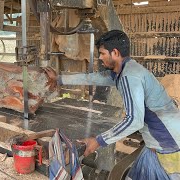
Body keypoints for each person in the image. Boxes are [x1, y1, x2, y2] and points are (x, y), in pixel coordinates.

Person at [45, 30, 180, 179]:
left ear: (115, 52)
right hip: (155, 143)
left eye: (102, 53)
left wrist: (98, 141)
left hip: (168, 146)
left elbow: (134, 120)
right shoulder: (122, 71)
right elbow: (93, 78)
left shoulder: (130, 77)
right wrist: (59, 79)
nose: (100, 57)